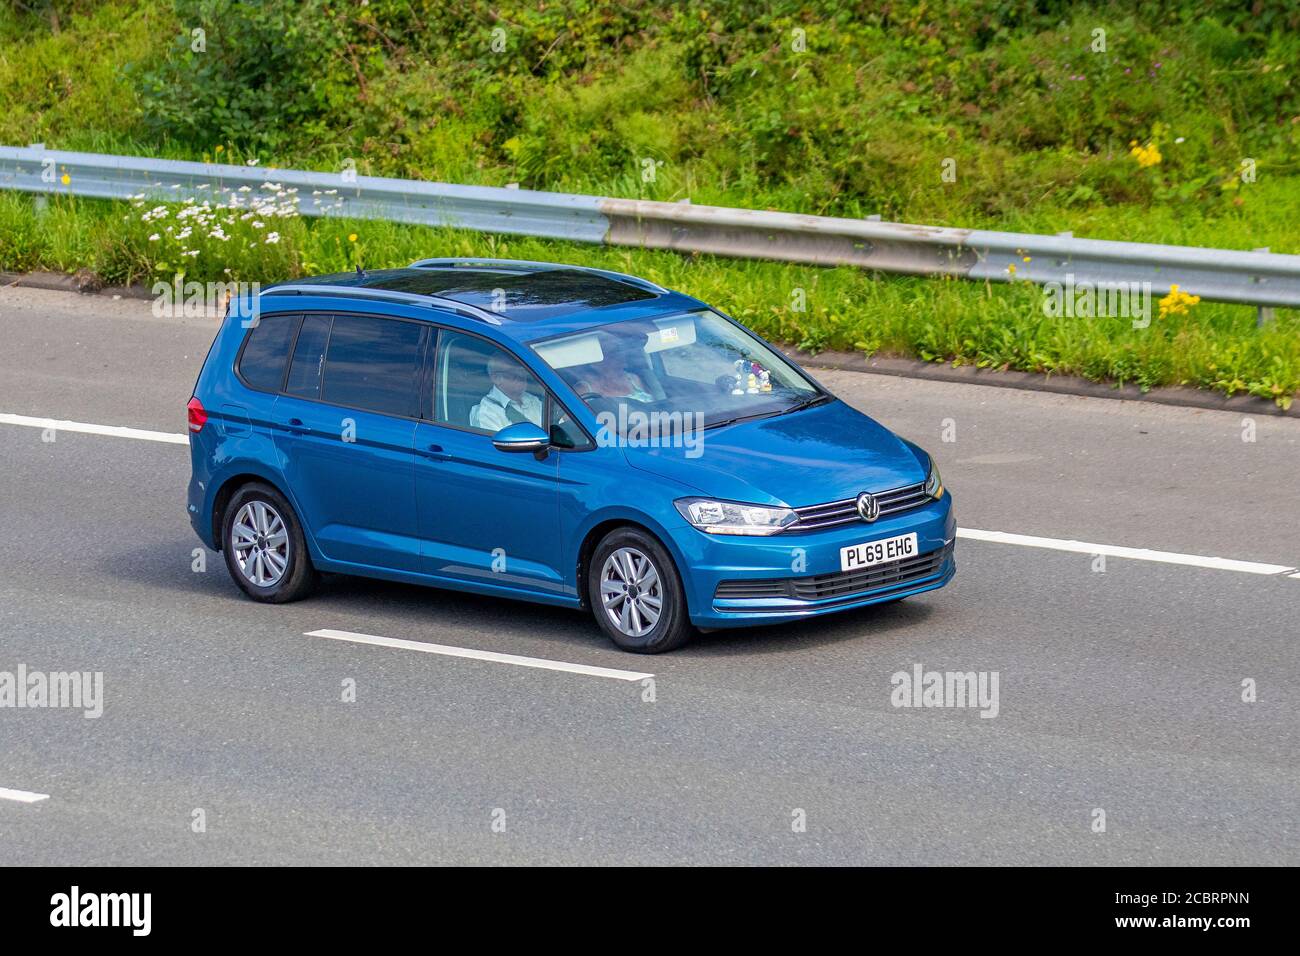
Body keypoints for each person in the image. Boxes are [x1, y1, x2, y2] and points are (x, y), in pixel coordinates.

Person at [471, 352, 543, 432]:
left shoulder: (532, 400)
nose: (521, 376)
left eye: (522, 370)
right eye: (513, 373)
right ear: (496, 378)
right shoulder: (487, 413)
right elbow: (495, 444)